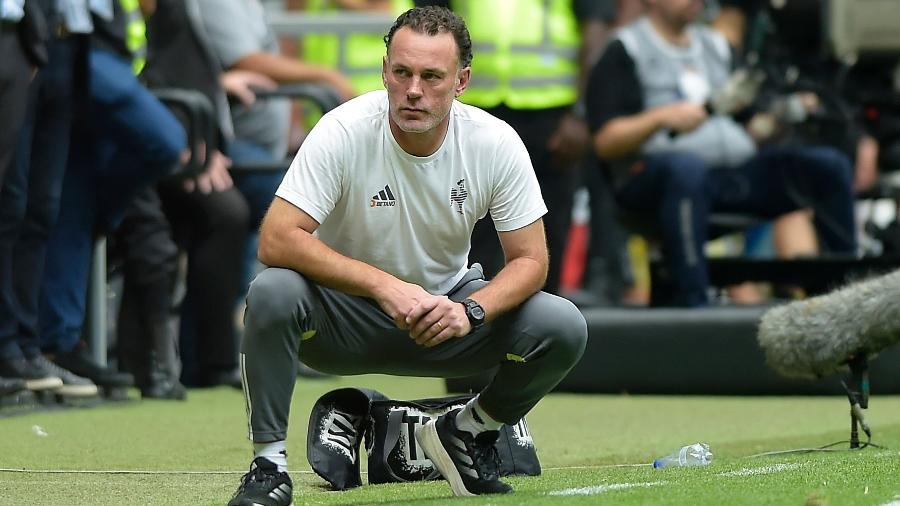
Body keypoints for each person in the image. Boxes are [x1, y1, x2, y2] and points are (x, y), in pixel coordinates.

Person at [227, 7, 587, 504]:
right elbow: (277, 239)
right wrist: (382, 285)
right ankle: (268, 467)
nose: (413, 90)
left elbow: (531, 261)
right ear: (385, 72)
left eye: (431, 76)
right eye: (402, 73)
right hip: (342, 319)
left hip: (446, 319)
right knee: (271, 291)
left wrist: (469, 310)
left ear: (461, 80)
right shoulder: (344, 128)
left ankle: (466, 430)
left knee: (562, 324)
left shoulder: (495, 142)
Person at [585, 0, 858, 307]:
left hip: (731, 175)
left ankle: (846, 292)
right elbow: (604, 140)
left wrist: (784, 114)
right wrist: (660, 118)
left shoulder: (716, 47)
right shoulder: (626, 48)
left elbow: (752, 124)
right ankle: (694, 303)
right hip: (657, 183)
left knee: (826, 165)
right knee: (686, 170)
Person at [419, 0, 614, 295]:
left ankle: (543, 320)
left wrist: (582, 111)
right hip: (473, 107)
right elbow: (428, 22)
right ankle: (464, 316)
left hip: (553, 114)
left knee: (548, 228)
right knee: (466, 222)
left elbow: (596, 29)